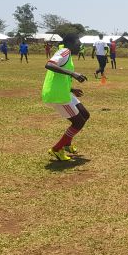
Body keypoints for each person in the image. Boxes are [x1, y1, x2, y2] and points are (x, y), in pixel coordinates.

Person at [42, 33, 90, 161]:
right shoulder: (64, 51)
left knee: (84, 114)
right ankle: (56, 149)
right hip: (58, 96)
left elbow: (59, 77)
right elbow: (50, 65)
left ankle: (67, 144)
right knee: (78, 122)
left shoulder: (67, 54)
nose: (79, 45)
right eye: (78, 43)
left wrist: (71, 89)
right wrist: (73, 73)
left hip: (64, 92)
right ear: (70, 43)